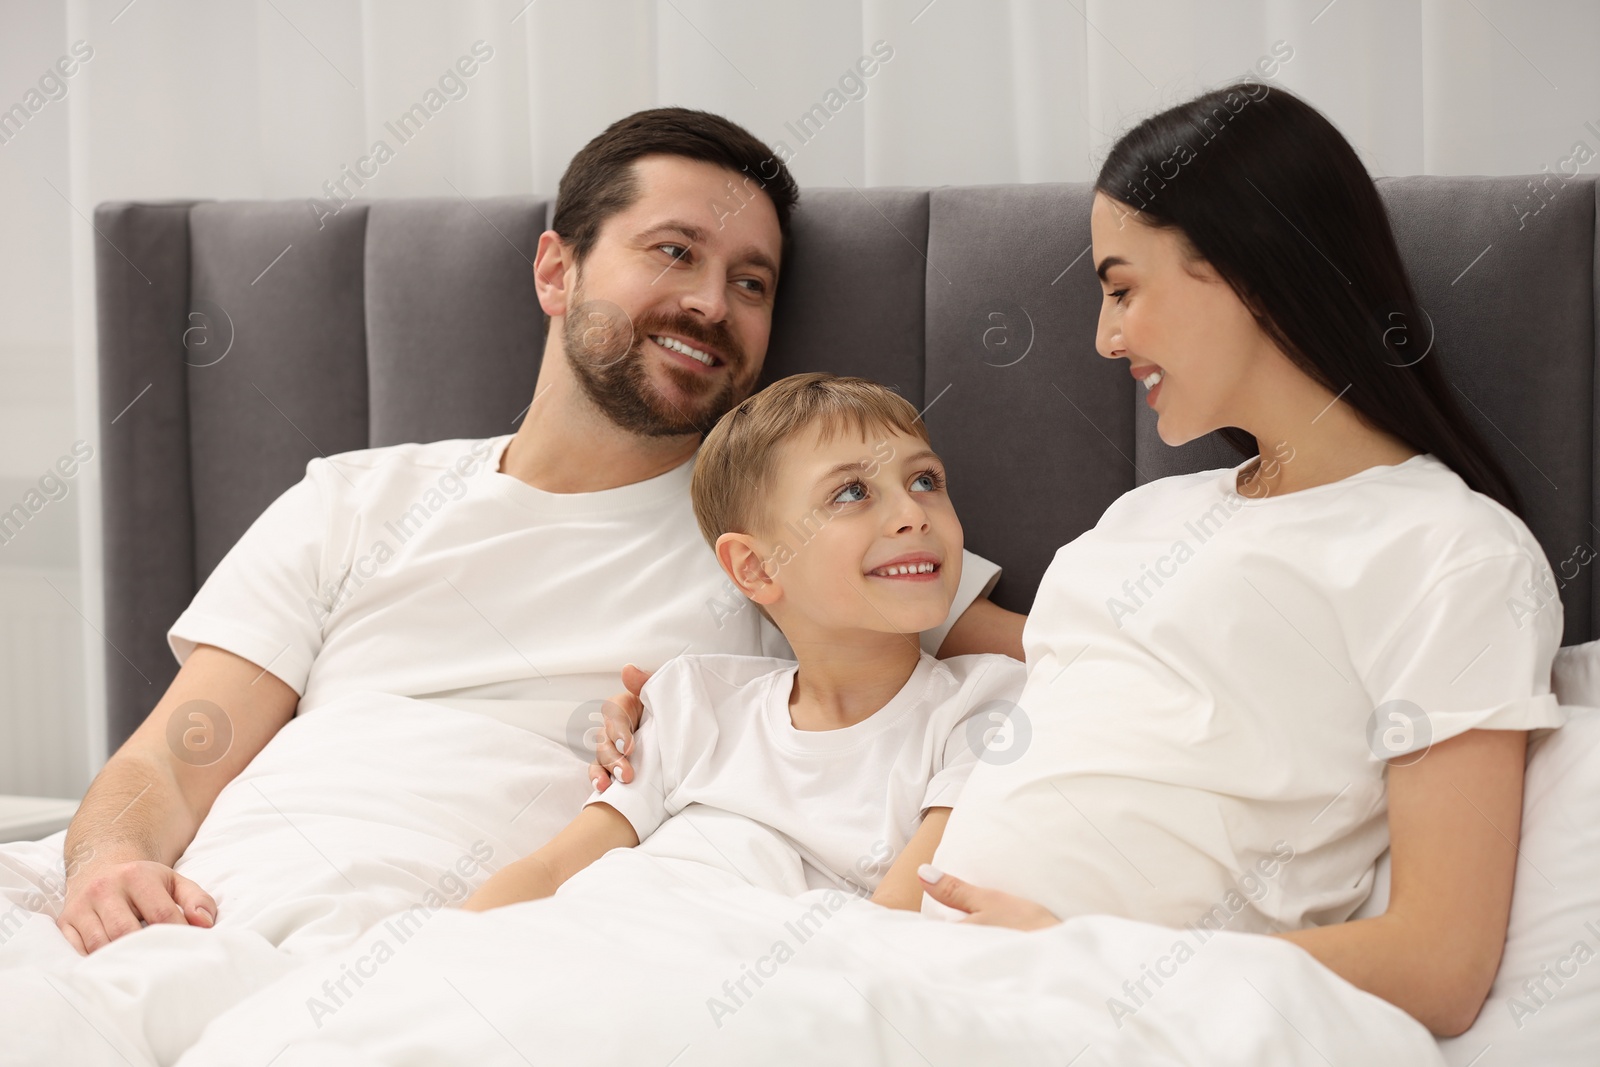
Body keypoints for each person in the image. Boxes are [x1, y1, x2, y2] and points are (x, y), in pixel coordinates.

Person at [53, 107, 1025, 956]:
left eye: (752, 283)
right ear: (557, 269)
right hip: (209, 924)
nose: (709, 303)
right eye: (674, 250)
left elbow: (1074, 671)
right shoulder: (352, 498)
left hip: (501, 956)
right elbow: (169, 760)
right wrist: (108, 867)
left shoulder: (795, 533)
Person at [903, 83, 1565, 1038]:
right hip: (929, 973)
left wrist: (1084, 962)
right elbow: (973, 643)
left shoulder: (1449, 552)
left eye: (1123, 287)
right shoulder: (1146, 517)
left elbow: (1439, 961)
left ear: (1251, 268)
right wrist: (687, 695)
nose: (1105, 337)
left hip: (1093, 1016)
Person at [464, 373, 1025, 913]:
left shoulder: (983, 704)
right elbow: (552, 869)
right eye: (852, 492)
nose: (911, 515)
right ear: (755, 568)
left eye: (925, 481)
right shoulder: (695, 698)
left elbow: (901, 914)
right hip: (608, 929)